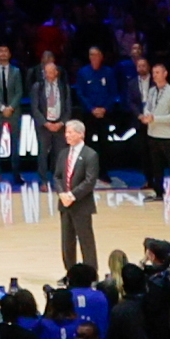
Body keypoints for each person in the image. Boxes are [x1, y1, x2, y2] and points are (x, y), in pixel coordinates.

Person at [53, 117, 101, 275]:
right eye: (66, 132)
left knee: (86, 241)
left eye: (70, 132)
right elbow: (57, 176)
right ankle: (70, 274)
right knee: (67, 242)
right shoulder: (63, 153)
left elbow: (90, 181)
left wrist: (72, 195)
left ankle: (91, 273)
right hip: (64, 205)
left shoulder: (90, 155)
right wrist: (61, 194)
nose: (67, 135)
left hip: (81, 204)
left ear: (81, 134)